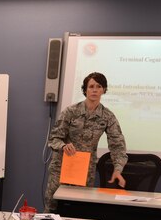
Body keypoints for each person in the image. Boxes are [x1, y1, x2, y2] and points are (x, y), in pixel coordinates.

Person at [45, 71, 128, 212]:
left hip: (84, 172)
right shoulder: (71, 112)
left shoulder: (108, 116)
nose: (94, 90)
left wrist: (118, 169)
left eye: (99, 86)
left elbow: (118, 145)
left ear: (104, 90)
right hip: (61, 169)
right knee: (52, 210)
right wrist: (63, 146)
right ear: (85, 90)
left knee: (80, 211)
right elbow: (54, 138)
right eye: (91, 86)